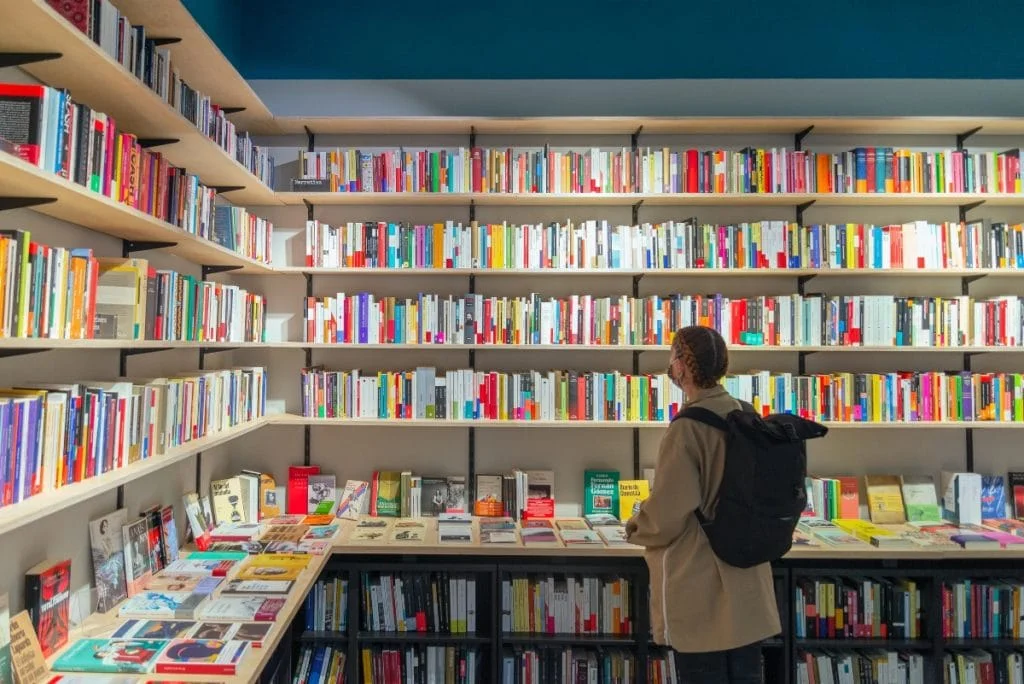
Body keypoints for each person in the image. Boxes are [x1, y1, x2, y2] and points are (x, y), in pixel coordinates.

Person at [626, 325, 780, 684]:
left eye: (672, 357)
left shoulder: (687, 428)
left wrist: (637, 526)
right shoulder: (746, 413)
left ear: (682, 367)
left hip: (702, 582)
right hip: (748, 578)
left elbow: (669, 509)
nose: (670, 365)